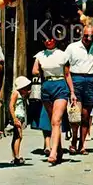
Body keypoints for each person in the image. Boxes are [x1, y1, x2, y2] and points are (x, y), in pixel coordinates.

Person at [32, 36, 76, 164]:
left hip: (60, 85)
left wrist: (72, 92)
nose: (48, 41)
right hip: (46, 86)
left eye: (50, 39)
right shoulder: (40, 55)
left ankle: (53, 152)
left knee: (56, 121)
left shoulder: (62, 55)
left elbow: (67, 74)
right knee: (52, 122)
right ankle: (60, 149)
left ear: (55, 40)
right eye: (45, 40)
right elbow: (34, 71)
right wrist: (37, 66)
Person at [63, 25, 93, 155]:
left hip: (91, 80)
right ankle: (74, 141)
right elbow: (66, 68)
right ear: (81, 34)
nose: (89, 38)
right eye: (86, 36)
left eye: (91, 36)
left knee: (86, 116)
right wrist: (71, 90)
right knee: (76, 115)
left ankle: (82, 144)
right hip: (76, 79)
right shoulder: (72, 48)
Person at [9, 76, 32, 165]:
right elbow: (11, 105)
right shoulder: (15, 93)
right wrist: (14, 118)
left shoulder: (20, 94)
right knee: (18, 136)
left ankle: (15, 156)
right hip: (17, 117)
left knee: (17, 136)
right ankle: (17, 157)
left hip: (20, 117)